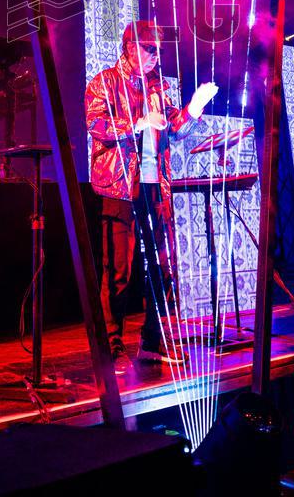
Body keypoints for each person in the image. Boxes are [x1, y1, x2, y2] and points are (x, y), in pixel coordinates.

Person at [85, 20, 218, 369]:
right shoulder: (105, 81)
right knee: (119, 271)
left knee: (163, 267)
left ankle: (152, 342)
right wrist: (137, 125)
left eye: (159, 51)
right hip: (119, 186)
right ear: (131, 48)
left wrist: (194, 107)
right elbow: (95, 124)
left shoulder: (157, 86)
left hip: (154, 186)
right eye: (150, 50)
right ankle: (110, 345)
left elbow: (173, 129)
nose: (156, 57)